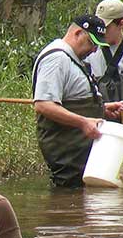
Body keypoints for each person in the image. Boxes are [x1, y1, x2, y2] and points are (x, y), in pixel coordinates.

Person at [33, 15, 110, 187]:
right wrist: (83, 122)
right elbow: (43, 105)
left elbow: (73, 97)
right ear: (77, 33)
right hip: (68, 156)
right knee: (68, 199)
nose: (94, 50)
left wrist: (104, 108)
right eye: (92, 43)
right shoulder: (56, 59)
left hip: (81, 156)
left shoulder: (72, 58)